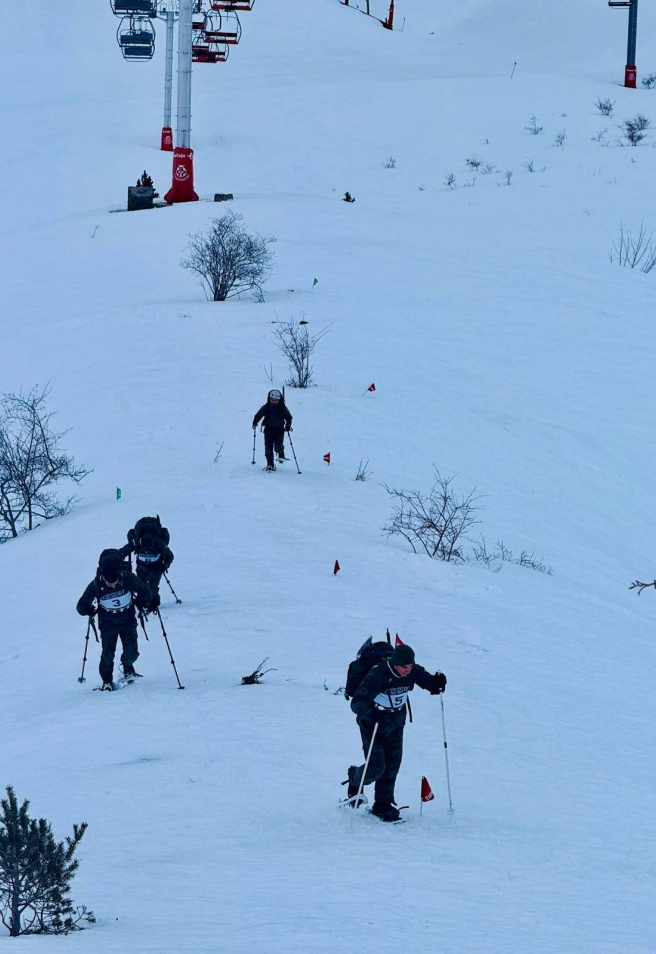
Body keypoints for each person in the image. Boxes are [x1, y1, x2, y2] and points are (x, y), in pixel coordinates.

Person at [346, 643, 447, 822]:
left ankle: (383, 805)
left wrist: (437, 684)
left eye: (410, 666)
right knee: (376, 766)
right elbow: (357, 702)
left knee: (393, 764)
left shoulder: (413, 670)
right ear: (394, 663)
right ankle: (355, 777)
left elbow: (428, 682)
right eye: (403, 667)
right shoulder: (378, 673)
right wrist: (370, 712)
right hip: (373, 723)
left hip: (396, 722)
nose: (407, 670)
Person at [76, 548, 159, 691]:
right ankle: (107, 681)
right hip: (108, 624)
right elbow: (81, 605)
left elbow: (144, 589)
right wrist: (87, 609)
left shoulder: (127, 577)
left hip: (127, 619)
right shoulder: (96, 584)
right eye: (110, 583)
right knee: (107, 654)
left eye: (115, 582)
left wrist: (149, 600)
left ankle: (128, 667)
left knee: (132, 651)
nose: (113, 585)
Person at [120, 515, 174, 597]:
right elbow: (124, 551)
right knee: (140, 586)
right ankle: (142, 601)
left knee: (153, 587)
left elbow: (170, 556)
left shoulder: (160, 544)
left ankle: (153, 601)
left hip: (156, 566)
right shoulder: (136, 542)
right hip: (142, 565)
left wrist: (165, 565)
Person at [252, 389, 293, 471]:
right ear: (269, 399)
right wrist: (255, 422)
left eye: (276, 400)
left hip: (279, 430)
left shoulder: (282, 408)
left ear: (279, 400)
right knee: (268, 448)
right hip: (268, 430)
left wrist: (288, 425)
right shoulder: (266, 407)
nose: (274, 402)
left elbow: (289, 417)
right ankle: (270, 464)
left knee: (278, 446)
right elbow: (258, 415)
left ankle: (281, 453)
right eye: (272, 400)